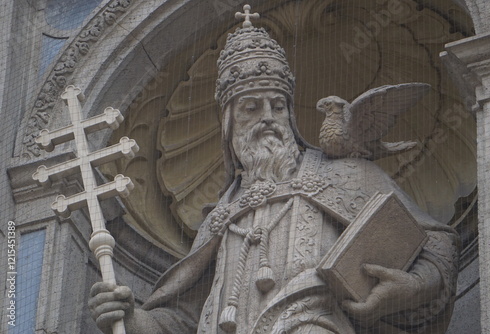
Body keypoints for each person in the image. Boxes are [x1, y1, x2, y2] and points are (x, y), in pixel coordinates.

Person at [89, 7, 458, 334]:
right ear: (229, 126)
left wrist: (415, 284)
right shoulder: (220, 218)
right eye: (251, 107)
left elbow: (434, 244)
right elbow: (182, 320)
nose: (267, 117)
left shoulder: (347, 175)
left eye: (277, 106)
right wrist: (131, 318)